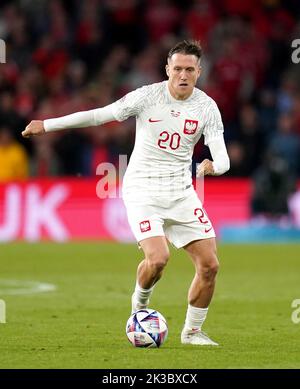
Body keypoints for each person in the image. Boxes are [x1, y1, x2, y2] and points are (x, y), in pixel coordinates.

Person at [22, 40, 230, 346]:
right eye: (177, 69)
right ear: (167, 69)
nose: (183, 75)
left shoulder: (206, 107)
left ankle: (192, 332)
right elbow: (99, 116)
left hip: (181, 192)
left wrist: (214, 166)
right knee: (158, 259)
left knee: (210, 265)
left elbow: (223, 157)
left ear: (199, 71)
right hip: (143, 189)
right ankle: (139, 304)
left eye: (189, 69)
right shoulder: (147, 97)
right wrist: (47, 125)